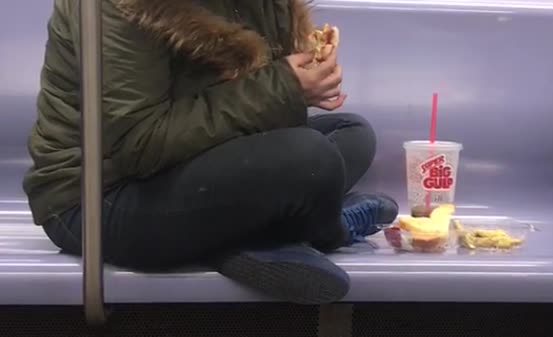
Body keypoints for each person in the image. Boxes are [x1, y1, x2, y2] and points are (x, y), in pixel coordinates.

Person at [23, 0, 398, 304]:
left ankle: (243, 237)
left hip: (184, 166)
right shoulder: (117, 6)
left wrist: (300, 82)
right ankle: (328, 230)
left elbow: (262, 121)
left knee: (351, 134)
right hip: (95, 198)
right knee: (312, 158)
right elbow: (139, 145)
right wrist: (283, 87)